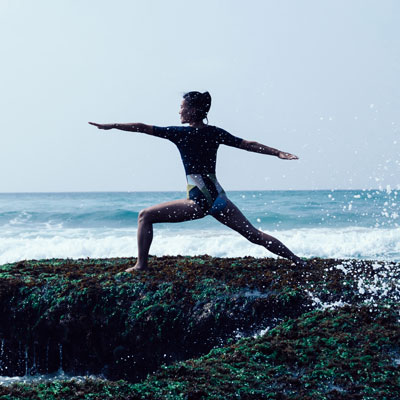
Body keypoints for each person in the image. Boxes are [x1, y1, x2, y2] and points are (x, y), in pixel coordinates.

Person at [89, 91, 306, 271]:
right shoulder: (215, 133)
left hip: (199, 201)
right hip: (219, 197)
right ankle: (298, 261)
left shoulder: (179, 133)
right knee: (253, 234)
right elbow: (247, 144)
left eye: (182, 107)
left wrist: (115, 125)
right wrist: (278, 153)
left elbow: (143, 127)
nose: (179, 111)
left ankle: (141, 265)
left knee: (145, 216)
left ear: (193, 110)